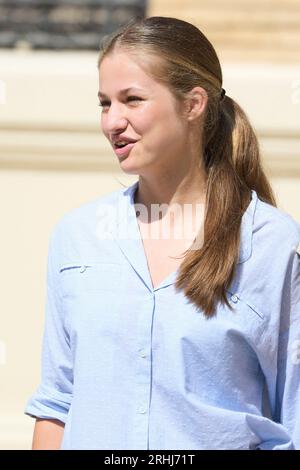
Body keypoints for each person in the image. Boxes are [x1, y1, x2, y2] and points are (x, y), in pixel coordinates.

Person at [25, 16, 300, 450]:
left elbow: (294, 411)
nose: (112, 121)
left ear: (193, 104)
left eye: (132, 100)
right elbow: (58, 402)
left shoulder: (271, 242)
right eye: (104, 103)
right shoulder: (77, 238)